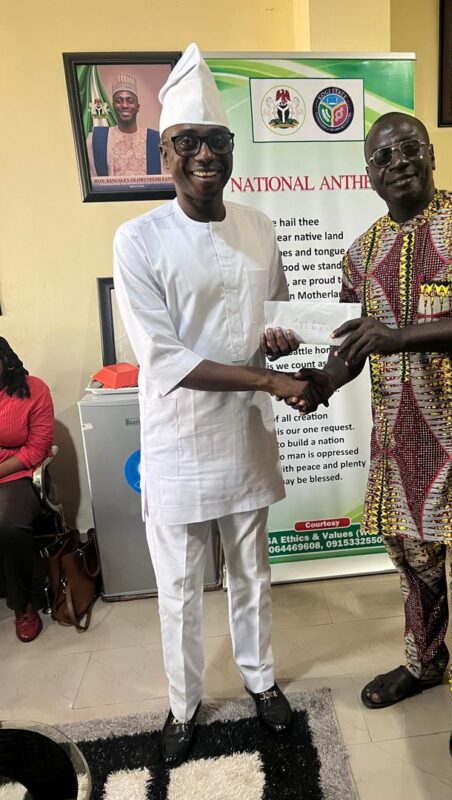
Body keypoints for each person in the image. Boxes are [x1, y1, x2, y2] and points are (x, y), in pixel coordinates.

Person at [291, 112, 452, 765]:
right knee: (412, 558)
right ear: (367, 174)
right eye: (382, 156)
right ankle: (425, 662)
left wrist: (398, 336)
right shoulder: (360, 254)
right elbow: (353, 346)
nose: (397, 162)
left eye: (408, 148)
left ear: (430, 153)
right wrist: (320, 383)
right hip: (400, 443)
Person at [113, 43, 314, 767]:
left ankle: (261, 680)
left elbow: (270, 316)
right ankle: (183, 704)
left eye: (217, 141)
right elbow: (163, 358)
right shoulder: (138, 239)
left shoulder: (259, 226)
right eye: (187, 141)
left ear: (232, 149)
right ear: (164, 153)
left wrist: (279, 342)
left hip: (244, 435)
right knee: (178, 586)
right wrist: (267, 382)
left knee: (252, 570)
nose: (204, 154)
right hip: (178, 438)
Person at [0, 338, 54, 643]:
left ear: (4, 361)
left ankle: (22, 606)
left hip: (17, 476)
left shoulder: (33, 390)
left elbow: (38, 447)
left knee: (9, 524)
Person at [86, 73, 161, 177]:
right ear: (113, 106)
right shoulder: (97, 139)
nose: (124, 105)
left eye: (130, 101)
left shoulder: (155, 140)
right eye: (119, 101)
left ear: (137, 107)